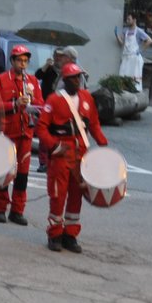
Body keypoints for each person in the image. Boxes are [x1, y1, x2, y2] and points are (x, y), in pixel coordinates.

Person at [35, 61, 110, 252]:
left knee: (77, 195)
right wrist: (54, 145)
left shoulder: (87, 98)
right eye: (74, 78)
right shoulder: (53, 100)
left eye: (80, 77)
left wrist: (103, 144)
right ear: (66, 81)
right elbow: (41, 128)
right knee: (58, 195)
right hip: (62, 153)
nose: (78, 81)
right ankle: (55, 235)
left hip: (80, 154)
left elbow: (94, 124)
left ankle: (70, 235)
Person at [0, 43, 43, 226]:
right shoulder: (2, 80)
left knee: (23, 175)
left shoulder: (33, 81)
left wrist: (32, 103)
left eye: (25, 61)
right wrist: (14, 104)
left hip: (25, 132)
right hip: (7, 132)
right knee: (4, 171)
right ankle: (0, 208)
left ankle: (17, 210)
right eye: (19, 60)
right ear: (12, 61)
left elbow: (41, 103)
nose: (23, 64)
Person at [114, 14, 151, 91]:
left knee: (134, 77)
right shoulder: (125, 30)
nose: (127, 21)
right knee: (123, 75)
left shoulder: (139, 31)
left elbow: (149, 41)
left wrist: (140, 50)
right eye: (127, 19)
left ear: (134, 20)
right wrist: (116, 35)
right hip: (126, 57)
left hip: (134, 58)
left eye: (129, 19)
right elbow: (122, 43)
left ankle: (134, 92)